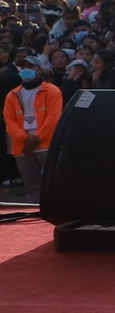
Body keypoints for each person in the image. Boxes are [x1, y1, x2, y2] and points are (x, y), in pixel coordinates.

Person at [4, 60, 62, 206]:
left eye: (31, 66)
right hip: (22, 147)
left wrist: (36, 138)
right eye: (23, 66)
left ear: (39, 69)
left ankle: (57, 211)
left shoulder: (52, 91)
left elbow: (53, 118)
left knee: (54, 184)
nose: (26, 69)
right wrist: (25, 138)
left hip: (46, 145)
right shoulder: (13, 95)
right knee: (32, 187)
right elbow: (10, 121)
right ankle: (35, 214)